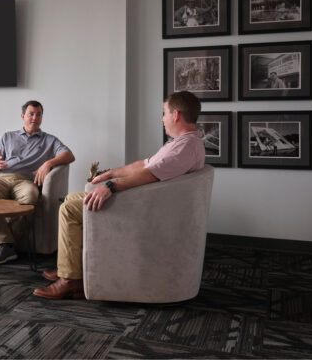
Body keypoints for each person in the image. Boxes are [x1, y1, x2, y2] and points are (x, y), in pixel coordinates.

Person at [33, 91, 205, 299]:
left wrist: (111, 186)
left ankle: (70, 280)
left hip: (140, 208)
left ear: (176, 115)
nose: (162, 119)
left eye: (164, 113)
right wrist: (112, 172)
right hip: (141, 200)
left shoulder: (184, 147)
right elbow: (145, 164)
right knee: (71, 199)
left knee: (69, 209)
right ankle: (69, 268)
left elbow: (149, 175)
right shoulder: (182, 143)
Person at [0, 100, 75, 264]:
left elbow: (69, 155)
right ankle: (6, 245)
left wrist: (48, 163)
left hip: (25, 180)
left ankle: (2, 244)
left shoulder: (49, 140)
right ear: (23, 116)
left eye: (39, 115)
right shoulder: (8, 136)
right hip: (1, 177)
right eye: (31, 114)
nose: (35, 118)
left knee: (31, 197)